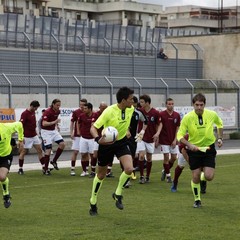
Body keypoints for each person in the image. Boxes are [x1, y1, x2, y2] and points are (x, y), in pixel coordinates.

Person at [89, 86, 134, 216]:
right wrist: (98, 140)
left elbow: (126, 123)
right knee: (101, 175)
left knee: (129, 169)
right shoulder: (109, 111)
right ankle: (93, 201)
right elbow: (93, 127)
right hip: (106, 144)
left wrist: (127, 130)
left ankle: (118, 194)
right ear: (123, 100)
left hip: (121, 143)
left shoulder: (130, 109)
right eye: (131, 99)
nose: (133, 101)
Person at [177, 93, 223, 208]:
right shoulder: (187, 118)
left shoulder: (212, 114)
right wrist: (189, 144)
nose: (199, 107)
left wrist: (220, 138)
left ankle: (204, 177)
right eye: (196, 105)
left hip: (209, 149)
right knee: (195, 176)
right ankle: (197, 200)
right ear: (193, 104)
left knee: (209, 176)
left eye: (201, 105)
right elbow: (179, 135)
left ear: (204, 105)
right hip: (194, 150)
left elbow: (219, 124)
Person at [124, 96, 148, 187]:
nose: (131, 104)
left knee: (133, 157)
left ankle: (130, 173)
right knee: (126, 156)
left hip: (134, 138)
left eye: (133, 102)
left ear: (135, 104)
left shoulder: (138, 113)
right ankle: (126, 179)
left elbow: (146, 121)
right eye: (129, 101)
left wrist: (142, 131)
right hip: (124, 138)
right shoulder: (124, 111)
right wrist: (126, 130)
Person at [137, 94, 161, 184]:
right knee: (141, 156)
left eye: (142, 102)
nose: (140, 103)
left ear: (147, 103)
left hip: (150, 137)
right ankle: (141, 176)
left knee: (149, 158)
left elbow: (159, 124)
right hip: (140, 136)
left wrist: (157, 134)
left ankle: (148, 176)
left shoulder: (155, 112)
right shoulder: (139, 111)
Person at [0, 122, 24, 208]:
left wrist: (20, 140)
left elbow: (19, 125)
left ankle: (6, 194)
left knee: (2, 177)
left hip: (5, 157)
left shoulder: (6, 128)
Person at [18, 100, 45, 174]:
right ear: (32, 106)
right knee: (23, 152)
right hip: (27, 136)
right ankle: (20, 168)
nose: (36, 109)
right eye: (36, 108)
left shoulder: (33, 112)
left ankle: (44, 167)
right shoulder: (24, 114)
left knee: (40, 150)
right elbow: (20, 125)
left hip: (34, 135)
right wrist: (21, 137)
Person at [158, 98, 181, 183]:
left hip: (173, 140)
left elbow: (177, 128)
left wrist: (175, 139)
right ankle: (168, 176)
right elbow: (159, 126)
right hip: (164, 140)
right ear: (166, 105)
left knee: (174, 157)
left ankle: (165, 170)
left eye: (172, 104)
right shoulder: (162, 114)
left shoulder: (177, 115)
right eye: (169, 104)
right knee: (166, 157)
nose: (171, 105)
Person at [41, 99, 65, 175]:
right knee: (48, 149)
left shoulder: (58, 111)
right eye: (57, 105)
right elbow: (44, 123)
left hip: (53, 131)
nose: (58, 107)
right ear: (53, 104)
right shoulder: (47, 112)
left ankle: (54, 161)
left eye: (59, 105)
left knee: (62, 144)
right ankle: (45, 169)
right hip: (46, 132)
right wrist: (55, 122)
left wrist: (57, 125)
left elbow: (55, 120)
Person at [77, 102, 96, 177]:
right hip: (83, 137)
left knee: (92, 155)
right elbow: (78, 123)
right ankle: (84, 170)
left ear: (90, 109)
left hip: (92, 138)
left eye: (85, 108)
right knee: (83, 154)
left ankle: (93, 171)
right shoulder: (82, 116)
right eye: (83, 108)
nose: (83, 110)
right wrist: (78, 131)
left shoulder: (95, 115)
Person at [69, 98, 87, 176]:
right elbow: (72, 122)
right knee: (75, 152)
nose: (81, 106)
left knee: (85, 153)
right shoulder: (76, 112)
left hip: (86, 136)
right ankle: (72, 169)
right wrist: (71, 132)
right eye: (80, 105)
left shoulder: (88, 112)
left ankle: (85, 169)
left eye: (83, 105)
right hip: (77, 135)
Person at [90, 102, 108, 178]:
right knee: (95, 155)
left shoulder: (108, 113)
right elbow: (93, 125)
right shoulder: (96, 114)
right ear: (99, 107)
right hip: (98, 137)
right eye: (103, 107)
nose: (104, 109)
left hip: (108, 137)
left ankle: (108, 171)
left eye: (105, 107)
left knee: (107, 155)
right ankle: (93, 171)